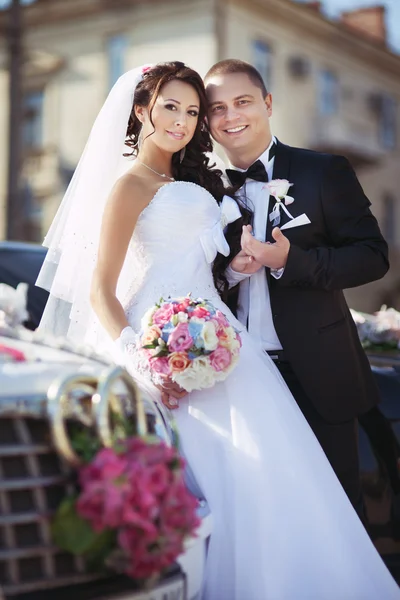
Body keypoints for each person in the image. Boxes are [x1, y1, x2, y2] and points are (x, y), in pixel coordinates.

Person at [36, 62, 400, 600]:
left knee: (290, 496)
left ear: (267, 103)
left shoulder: (291, 175)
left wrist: (270, 263)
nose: (191, 122)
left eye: (193, 111)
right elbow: (104, 288)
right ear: (142, 111)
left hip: (264, 357)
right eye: (185, 109)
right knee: (222, 493)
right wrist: (144, 357)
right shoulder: (151, 184)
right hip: (179, 348)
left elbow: (372, 257)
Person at [204, 58, 389, 523]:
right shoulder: (200, 192)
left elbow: (372, 255)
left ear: (267, 103)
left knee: (337, 517)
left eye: (243, 102)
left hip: (319, 373)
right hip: (236, 379)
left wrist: (293, 262)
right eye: (217, 108)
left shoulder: (323, 172)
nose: (231, 117)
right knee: (258, 519)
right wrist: (232, 273)